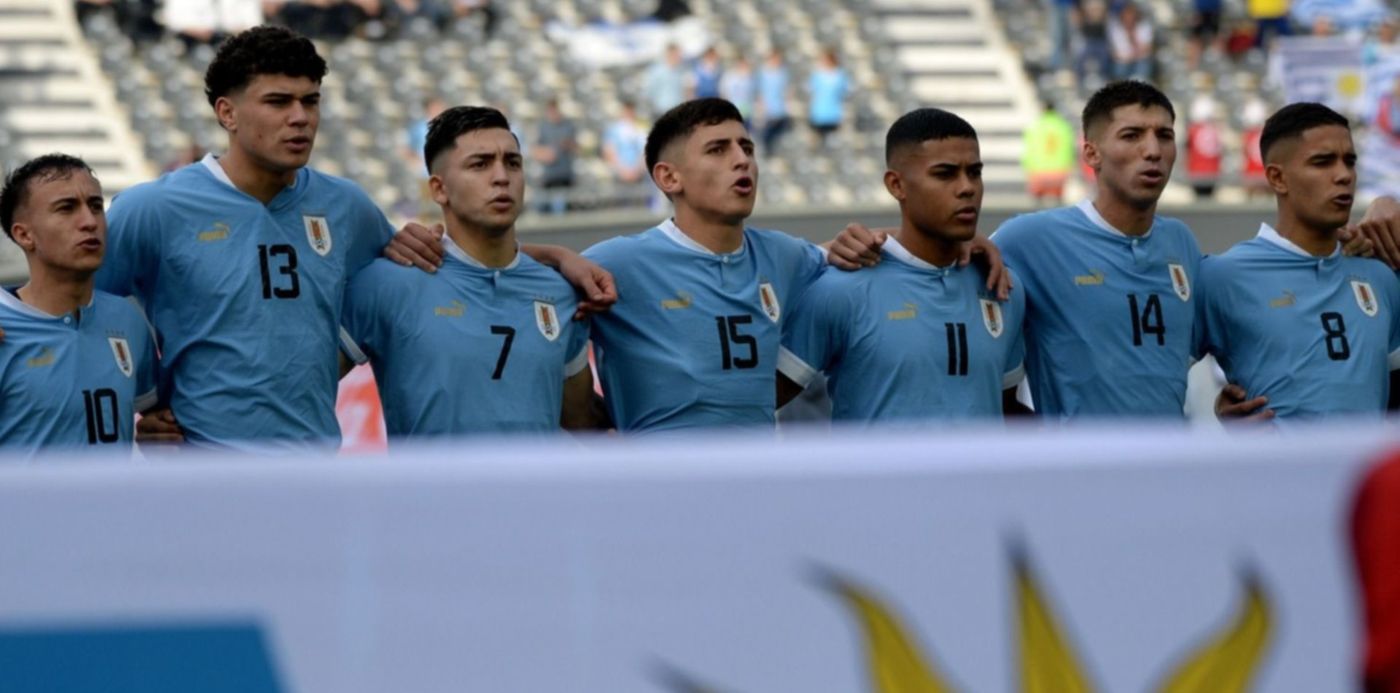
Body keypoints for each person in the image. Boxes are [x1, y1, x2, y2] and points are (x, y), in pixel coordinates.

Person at [94, 26, 613, 451]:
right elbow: (73, 308)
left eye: (310, 101)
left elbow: (456, 258)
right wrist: (141, 404)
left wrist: (556, 257)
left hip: (318, 464)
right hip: (202, 463)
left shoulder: (347, 208)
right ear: (226, 113)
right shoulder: (152, 210)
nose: (300, 117)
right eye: (278, 102)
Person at [342, 107, 602, 440]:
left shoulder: (560, 293)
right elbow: (305, 389)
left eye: (512, 162)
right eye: (479, 164)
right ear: (439, 189)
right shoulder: (388, 282)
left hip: (535, 493)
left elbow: (583, 418)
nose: (501, 177)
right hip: (428, 494)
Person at [776, 109, 1027, 422]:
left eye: (974, 172)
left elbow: (1006, 410)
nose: (967, 188)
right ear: (896, 185)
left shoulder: (1002, 287)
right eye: (945, 174)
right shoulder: (840, 289)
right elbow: (755, 404)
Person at [1198, 103, 1400, 421]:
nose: (1344, 175)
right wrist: (1216, 410)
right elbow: (1154, 368)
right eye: (1323, 162)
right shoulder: (1221, 276)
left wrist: (1391, 205)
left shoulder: (1379, 272)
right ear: (1277, 178)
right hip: (1279, 471)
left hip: (1365, 471)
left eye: (1350, 162)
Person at [0, 154, 156, 450]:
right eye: (66, 208)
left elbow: (153, 419)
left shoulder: (128, 318)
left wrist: (161, 431)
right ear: (24, 235)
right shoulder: (4, 329)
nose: (89, 222)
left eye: (96, 206)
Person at [1022, 103, 1076, 205]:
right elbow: (1069, 149)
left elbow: (1029, 149)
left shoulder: (1035, 126)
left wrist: (1027, 166)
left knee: (1035, 208)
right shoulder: (1064, 126)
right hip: (1059, 170)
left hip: (1039, 170)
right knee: (1058, 204)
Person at [533, 99, 577, 214]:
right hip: (549, 176)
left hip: (564, 175)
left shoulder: (567, 126)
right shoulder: (543, 128)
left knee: (562, 209)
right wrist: (546, 154)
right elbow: (536, 150)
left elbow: (575, 146)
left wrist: (567, 144)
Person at [602, 100, 648, 186]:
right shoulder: (613, 130)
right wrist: (622, 171)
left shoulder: (640, 130)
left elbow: (645, 153)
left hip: (638, 175)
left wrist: (637, 171)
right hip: (619, 175)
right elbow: (609, 152)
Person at [808, 49, 849, 144]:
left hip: (834, 114)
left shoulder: (840, 75)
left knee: (832, 141)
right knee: (817, 140)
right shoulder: (817, 75)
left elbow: (846, 91)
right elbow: (811, 89)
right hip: (818, 113)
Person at [1108, 2, 1155, 81]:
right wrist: (1128, 58)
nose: (1129, 17)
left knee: (1142, 69)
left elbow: (1147, 48)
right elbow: (1114, 52)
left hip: (1140, 59)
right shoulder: (1116, 29)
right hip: (1123, 61)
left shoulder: (1144, 27)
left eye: (1131, 14)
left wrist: (1133, 36)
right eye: (1126, 14)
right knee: (1119, 70)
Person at [757, 49, 792, 152]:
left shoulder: (783, 73)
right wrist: (761, 108)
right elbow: (760, 92)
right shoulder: (763, 73)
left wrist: (788, 107)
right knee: (766, 136)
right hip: (768, 111)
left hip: (780, 110)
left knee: (779, 136)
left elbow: (787, 91)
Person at [643, 44, 688, 118]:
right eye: (677, 54)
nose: (680, 57)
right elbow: (649, 92)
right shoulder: (656, 71)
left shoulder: (681, 71)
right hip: (661, 112)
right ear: (669, 54)